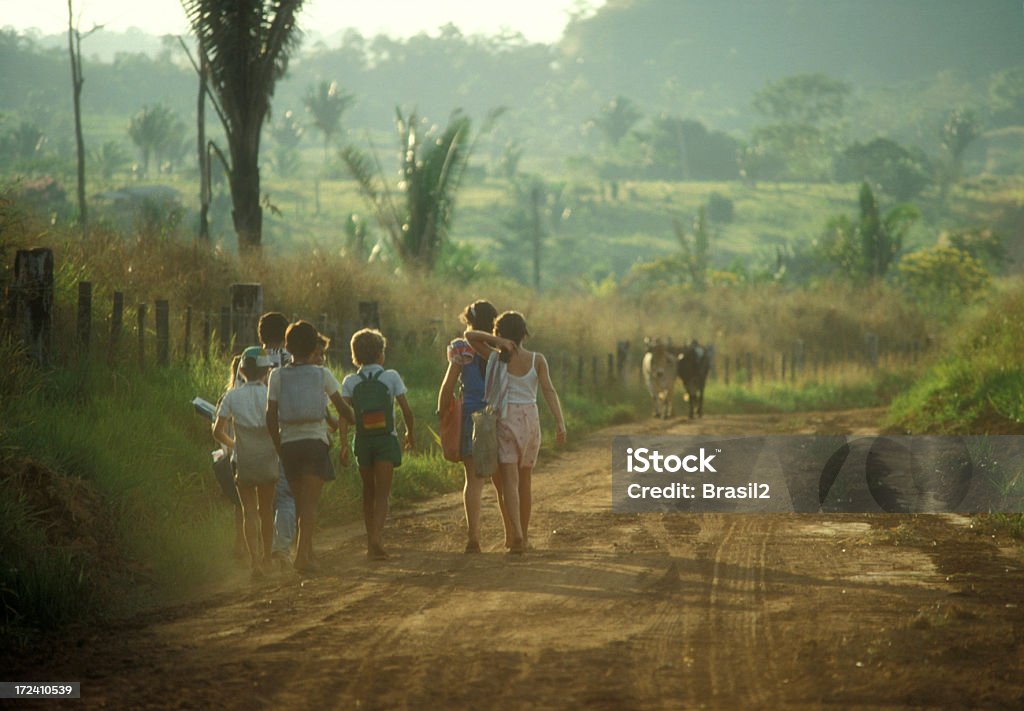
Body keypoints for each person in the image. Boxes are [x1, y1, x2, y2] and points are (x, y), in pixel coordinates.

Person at [467, 311, 567, 554]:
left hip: (505, 420)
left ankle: (517, 536)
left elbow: (469, 335)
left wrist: (497, 342)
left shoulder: (494, 358)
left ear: (499, 333)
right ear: (524, 334)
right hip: (530, 421)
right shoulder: (537, 359)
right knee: (526, 481)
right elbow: (549, 391)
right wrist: (560, 423)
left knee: (509, 482)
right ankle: (524, 532)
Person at [266, 321, 354, 575]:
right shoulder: (321, 374)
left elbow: (270, 415)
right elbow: (341, 408)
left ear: (287, 346)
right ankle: (302, 557)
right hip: (315, 443)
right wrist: (354, 418)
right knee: (310, 504)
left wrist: (279, 445)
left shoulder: (277, 375)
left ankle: (305, 552)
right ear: (314, 345)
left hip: (289, 444)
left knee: (299, 501)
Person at [437, 300, 515, 553]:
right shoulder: (500, 349)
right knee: (502, 482)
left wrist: (442, 412)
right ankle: (511, 534)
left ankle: (474, 537)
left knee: (473, 481)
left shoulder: (462, 349)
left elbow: (448, 386)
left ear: (469, 322)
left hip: (472, 418)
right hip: (498, 418)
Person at [339, 328, 415, 561]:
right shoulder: (390, 376)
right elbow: (406, 409)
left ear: (355, 356)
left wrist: (343, 444)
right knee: (383, 493)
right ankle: (376, 539)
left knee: (368, 491)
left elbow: (343, 416)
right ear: (381, 354)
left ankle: (370, 537)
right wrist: (409, 433)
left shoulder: (350, 381)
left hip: (362, 441)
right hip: (385, 440)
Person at [213, 347, 278, 579]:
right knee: (267, 510)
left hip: (244, 463)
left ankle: (254, 563)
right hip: (268, 461)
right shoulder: (271, 394)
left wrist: (235, 445)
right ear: (266, 371)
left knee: (248, 511)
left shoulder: (232, 396)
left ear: (241, 370)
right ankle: (268, 559)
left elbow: (217, 432)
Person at [258, 311, 297, 569]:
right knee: (284, 493)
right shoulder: (292, 360)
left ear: (260, 335)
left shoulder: (251, 359)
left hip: (254, 433)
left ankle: (258, 551)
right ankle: (281, 548)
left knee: (260, 496)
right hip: (284, 430)